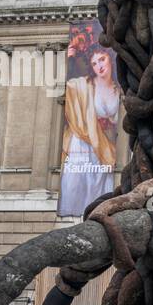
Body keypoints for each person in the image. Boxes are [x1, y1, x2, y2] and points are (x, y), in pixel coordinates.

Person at [58, 45, 121, 217]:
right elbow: (68, 86)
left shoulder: (118, 87)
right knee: (75, 187)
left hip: (106, 147)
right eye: (94, 63)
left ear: (110, 59)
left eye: (102, 59)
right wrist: (70, 60)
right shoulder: (84, 84)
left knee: (101, 191)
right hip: (83, 143)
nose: (99, 66)